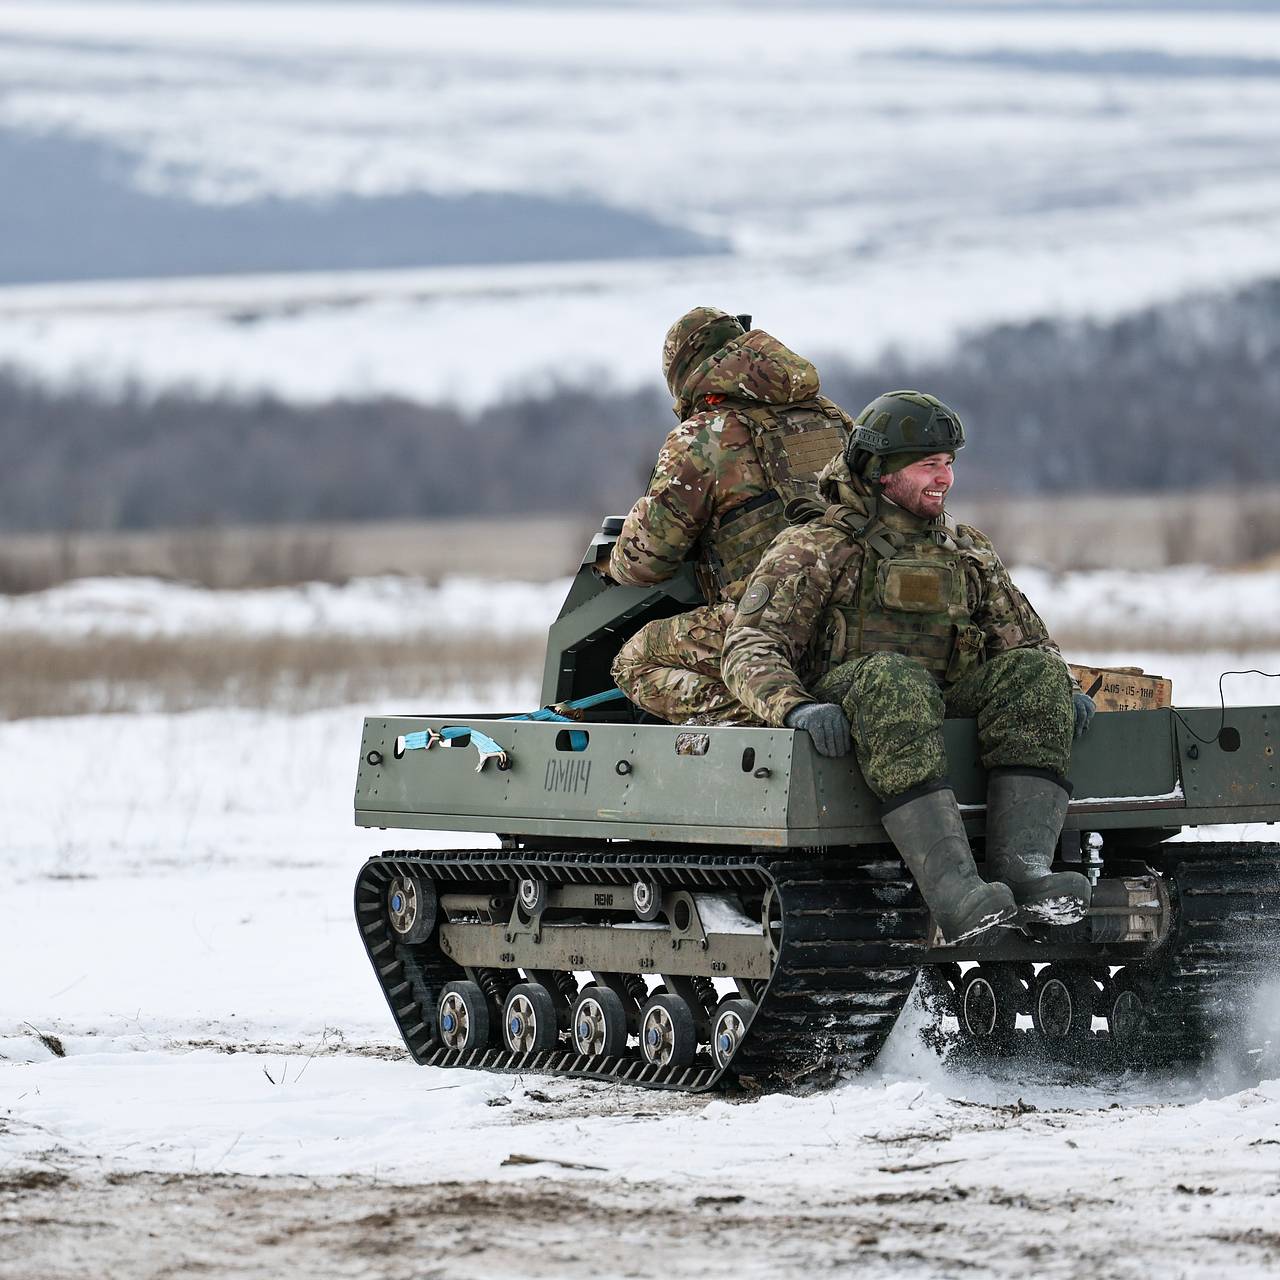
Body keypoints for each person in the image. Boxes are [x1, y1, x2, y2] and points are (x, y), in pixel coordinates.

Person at [716, 390, 1096, 944]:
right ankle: (955, 892)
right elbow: (750, 645)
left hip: (940, 699)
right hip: (856, 699)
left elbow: (1026, 640)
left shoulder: (965, 549)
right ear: (881, 472)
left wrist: (1061, 689)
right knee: (895, 679)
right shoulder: (817, 547)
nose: (944, 478)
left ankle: (1024, 871)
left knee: (1034, 674)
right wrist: (796, 708)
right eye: (927, 465)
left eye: (949, 463)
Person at [607, 306, 854, 723]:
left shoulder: (703, 435)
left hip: (769, 618)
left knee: (635, 661)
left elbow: (646, 561)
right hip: (852, 614)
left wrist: (611, 562)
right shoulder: (832, 417)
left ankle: (771, 720)